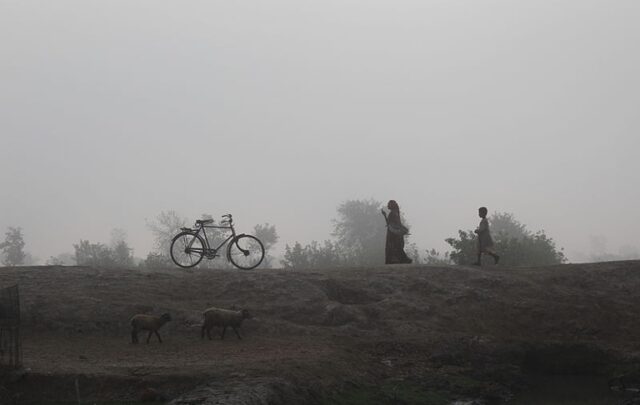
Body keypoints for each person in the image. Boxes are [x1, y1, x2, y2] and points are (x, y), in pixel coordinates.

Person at [381, 200, 412, 264]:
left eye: (389, 204)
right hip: (395, 232)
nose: (387, 206)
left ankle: (396, 260)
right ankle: (402, 260)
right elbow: (395, 223)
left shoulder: (393, 213)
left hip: (393, 233)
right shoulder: (396, 212)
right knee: (397, 247)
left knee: (393, 247)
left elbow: (390, 223)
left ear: (392, 205)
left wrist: (384, 215)